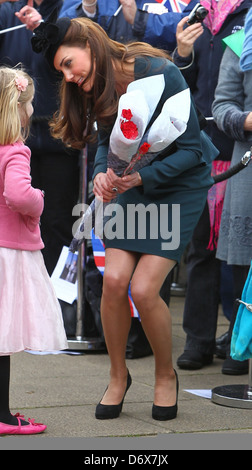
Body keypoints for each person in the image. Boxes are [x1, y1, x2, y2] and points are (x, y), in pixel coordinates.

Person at [31, 16, 218, 421]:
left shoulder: (160, 73)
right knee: (114, 281)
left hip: (178, 185)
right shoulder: (94, 84)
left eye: (68, 63)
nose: (69, 77)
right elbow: (106, 144)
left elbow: (190, 150)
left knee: (145, 290)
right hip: (129, 186)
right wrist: (101, 172)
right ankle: (118, 377)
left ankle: (165, 375)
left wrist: (140, 176)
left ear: (86, 42)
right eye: (61, 71)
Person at [172, 0, 252, 372]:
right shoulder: (195, 12)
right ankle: (198, 340)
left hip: (235, 150)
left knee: (236, 253)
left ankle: (236, 338)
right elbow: (181, 86)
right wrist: (182, 54)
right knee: (202, 249)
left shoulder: (246, 14)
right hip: (204, 147)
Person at [0, 66, 68, 436]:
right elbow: (18, 195)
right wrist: (39, 199)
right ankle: (4, 417)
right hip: (8, 254)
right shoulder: (16, 151)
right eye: (30, 105)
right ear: (19, 109)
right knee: (3, 339)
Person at [0, 0, 80, 276]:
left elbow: (74, 60)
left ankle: (56, 297)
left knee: (58, 221)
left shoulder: (67, 10)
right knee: (10, 219)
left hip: (60, 137)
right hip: (11, 135)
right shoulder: (6, 11)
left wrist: (45, 30)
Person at [212, 13, 252, 374]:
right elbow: (221, 105)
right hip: (249, 162)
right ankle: (242, 341)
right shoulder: (240, 43)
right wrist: (247, 120)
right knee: (241, 260)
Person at [60, 0, 198, 51]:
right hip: (117, 88)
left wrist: (139, 19)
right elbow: (63, 28)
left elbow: (193, 25)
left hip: (174, 82)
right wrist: (88, 8)